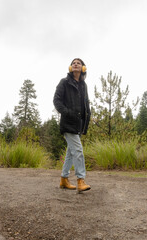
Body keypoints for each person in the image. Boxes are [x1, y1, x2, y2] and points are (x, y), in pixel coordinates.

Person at [53, 58, 91, 193]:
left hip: (78, 125)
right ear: (71, 68)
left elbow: (86, 105)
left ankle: (64, 180)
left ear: (83, 68)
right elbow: (56, 100)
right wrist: (67, 113)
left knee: (70, 153)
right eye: (73, 63)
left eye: (78, 63)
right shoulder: (64, 82)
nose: (76, 64)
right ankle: (81, 180)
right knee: (78, 151)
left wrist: (86, 121)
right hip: (68, 123)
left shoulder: (83, 85)